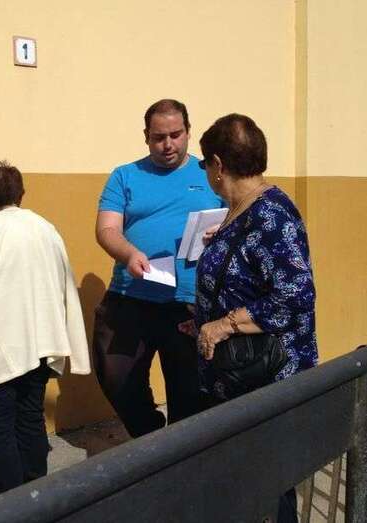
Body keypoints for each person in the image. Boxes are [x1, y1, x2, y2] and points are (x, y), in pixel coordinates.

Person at [192, 113, 318, 522]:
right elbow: (248, 276)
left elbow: (295, 295)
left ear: (218, 165)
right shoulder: (242, 211)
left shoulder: (271, 215)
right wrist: (202, 316)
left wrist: (224, 324)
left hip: (265, 381)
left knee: (267, 485)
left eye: (204, 164)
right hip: (239, 376)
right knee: (244, 483)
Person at [0, 160, 91, 495]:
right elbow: (63, 282)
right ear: (21, 195)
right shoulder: (45, 228)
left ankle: (10, 500)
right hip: (42, 344)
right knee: (30, 416)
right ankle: (36, 492)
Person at [93, 99, 223, 438]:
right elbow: (106, 229)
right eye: (158, 137)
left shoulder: (211, 174)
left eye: (175, 135)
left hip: (188, 302)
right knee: (116, 376)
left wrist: (223, 233)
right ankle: (149, 435)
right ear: (146, 137)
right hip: (130, 295)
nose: (168, 144)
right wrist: (128, 253)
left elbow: (239, 218)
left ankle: (178, 455)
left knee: (189, 393)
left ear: (188, 132)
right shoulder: (124, 175)